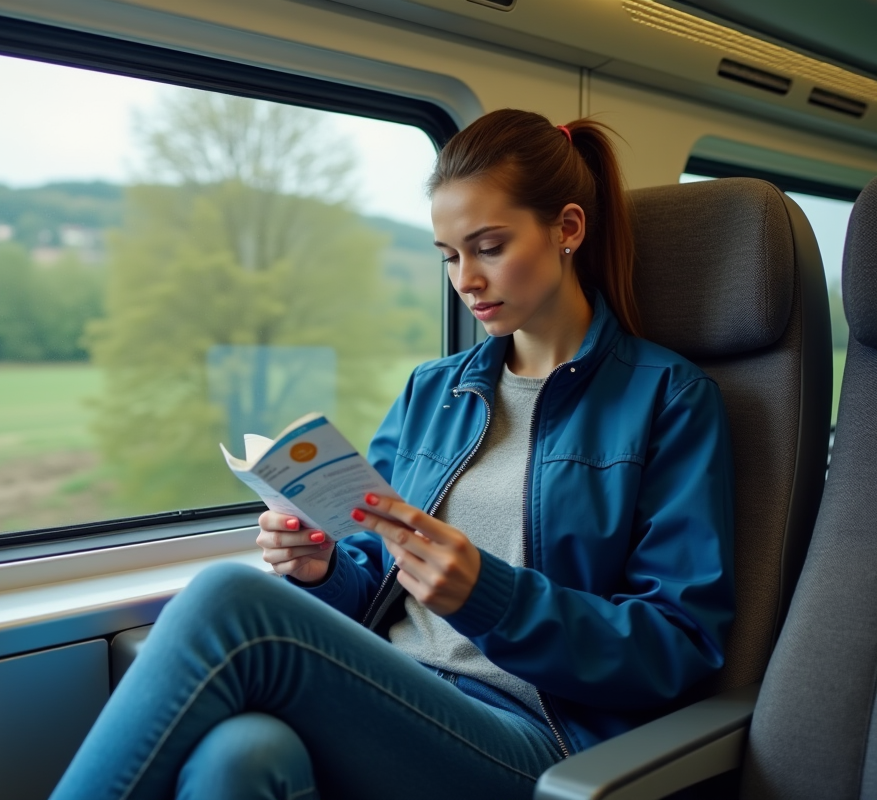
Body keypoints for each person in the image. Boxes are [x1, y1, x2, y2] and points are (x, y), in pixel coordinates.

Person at [48, 109, 735, 800]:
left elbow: (678, 644)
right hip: (399, 693)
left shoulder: (668, 399)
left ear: (567, 229)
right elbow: (373, 574)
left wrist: (490, 599)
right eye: (449, 255)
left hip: (537, 737)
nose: (465, 279)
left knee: (228, 598)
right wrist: (321, 572)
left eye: (489, 247)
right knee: (241, 755)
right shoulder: (434, 391)